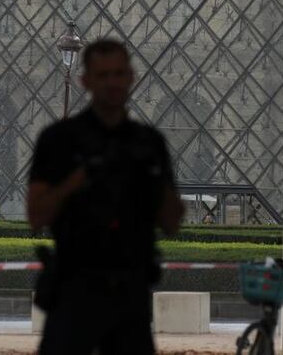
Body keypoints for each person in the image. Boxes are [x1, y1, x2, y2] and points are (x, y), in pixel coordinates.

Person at [27, 39, 184, 355]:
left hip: (130, 290)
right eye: (103, 75)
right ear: (86, 80)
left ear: (131, 76)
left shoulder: (149, 144)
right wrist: (77, 181)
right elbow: (36, 216)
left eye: (118, 74)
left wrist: (151, 179)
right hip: (75, 287)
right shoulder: (59, 141)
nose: (112, 83)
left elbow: (172, 221)